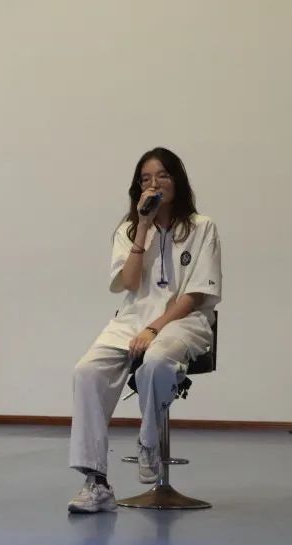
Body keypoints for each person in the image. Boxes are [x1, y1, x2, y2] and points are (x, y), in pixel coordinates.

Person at [67, 147, 222, 514]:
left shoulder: (202, 227)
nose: (154, 184)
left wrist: (154, 329)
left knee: (157, 360)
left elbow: (196, 294)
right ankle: (96, 482)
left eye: (162, 176)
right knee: (87, 372)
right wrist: (142, 227)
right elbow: (130, 283)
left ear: (177, 181)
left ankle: (148, 442)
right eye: (145, 179)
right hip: (132, 320)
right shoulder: (128, 230)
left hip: (184, 321)